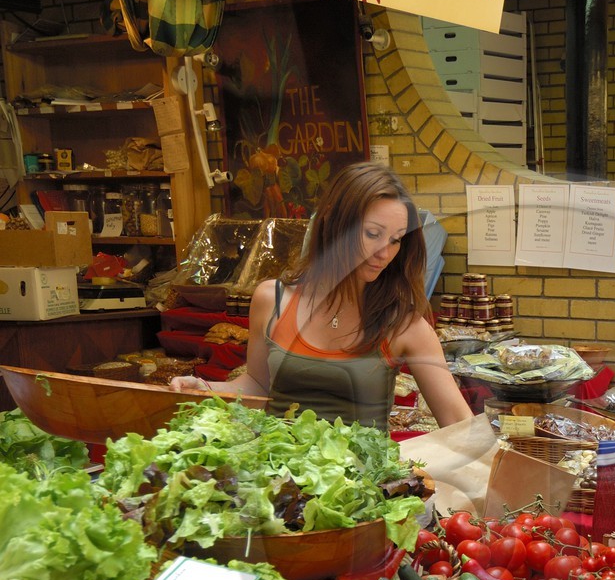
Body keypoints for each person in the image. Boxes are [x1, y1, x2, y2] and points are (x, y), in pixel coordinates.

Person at [171, 162, 471, 432]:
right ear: (331, 222)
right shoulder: (272, 299)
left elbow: (460, 423)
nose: (384, 253)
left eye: (396, 240)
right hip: (278, 469)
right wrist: (206, 388)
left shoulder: (404, 324)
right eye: (372, 234)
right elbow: (258, 385)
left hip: (360, 475)